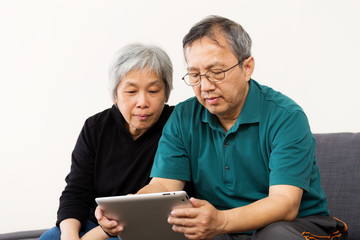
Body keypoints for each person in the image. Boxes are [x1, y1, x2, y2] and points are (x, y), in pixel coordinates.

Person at [97, 15, 348, 240]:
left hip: (298, 227)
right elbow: (163, 186)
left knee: (275, 234)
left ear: (247, 67)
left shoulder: (286, 116)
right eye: (194, 75)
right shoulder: (184, 116)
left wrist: (221, 220)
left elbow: (285, 203)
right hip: (222, 230)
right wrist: (130, 209)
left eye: (216, 72)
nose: (205, 86)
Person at [39, 43, 174, 240]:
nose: (142, 102)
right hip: (94, 222)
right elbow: (76, 191)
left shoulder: (177, 126)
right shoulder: (96, 128)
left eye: (153, 91)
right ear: (115, 95)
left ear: (166, 93)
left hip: (144, 230)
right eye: (131, 91)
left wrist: (96, 235)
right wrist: (69, 235)